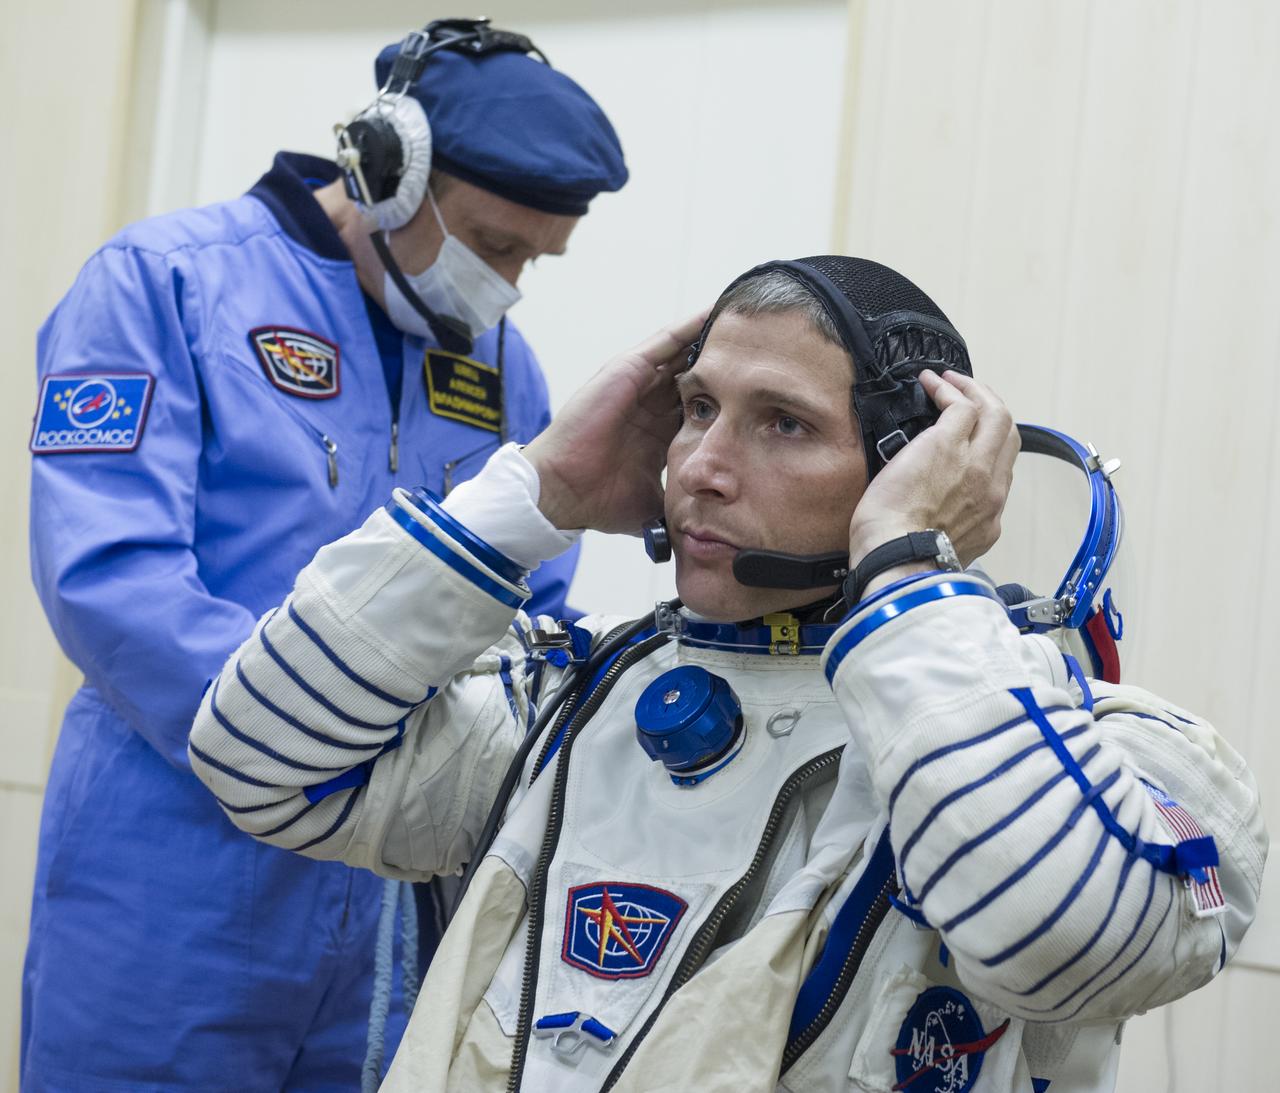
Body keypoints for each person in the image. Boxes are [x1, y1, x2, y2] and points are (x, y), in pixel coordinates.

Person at [188, 255, 1266, 1092]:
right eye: (696, 408)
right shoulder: (585, 699)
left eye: (781, 424)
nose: (698, 468)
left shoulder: (1114, 754)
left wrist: (900, 569)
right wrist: (539, 493)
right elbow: (258, 759)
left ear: (906, 466)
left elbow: (1057, 935)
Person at [23, 17, 628, 1092]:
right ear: (395, 176)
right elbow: (109, 575)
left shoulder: (502, 367)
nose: (512, 286)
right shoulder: (163, 286)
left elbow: (529, 608)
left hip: (393, 876)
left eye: (536, 258)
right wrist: (307, 740)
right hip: (174, 862)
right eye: (496, 245)